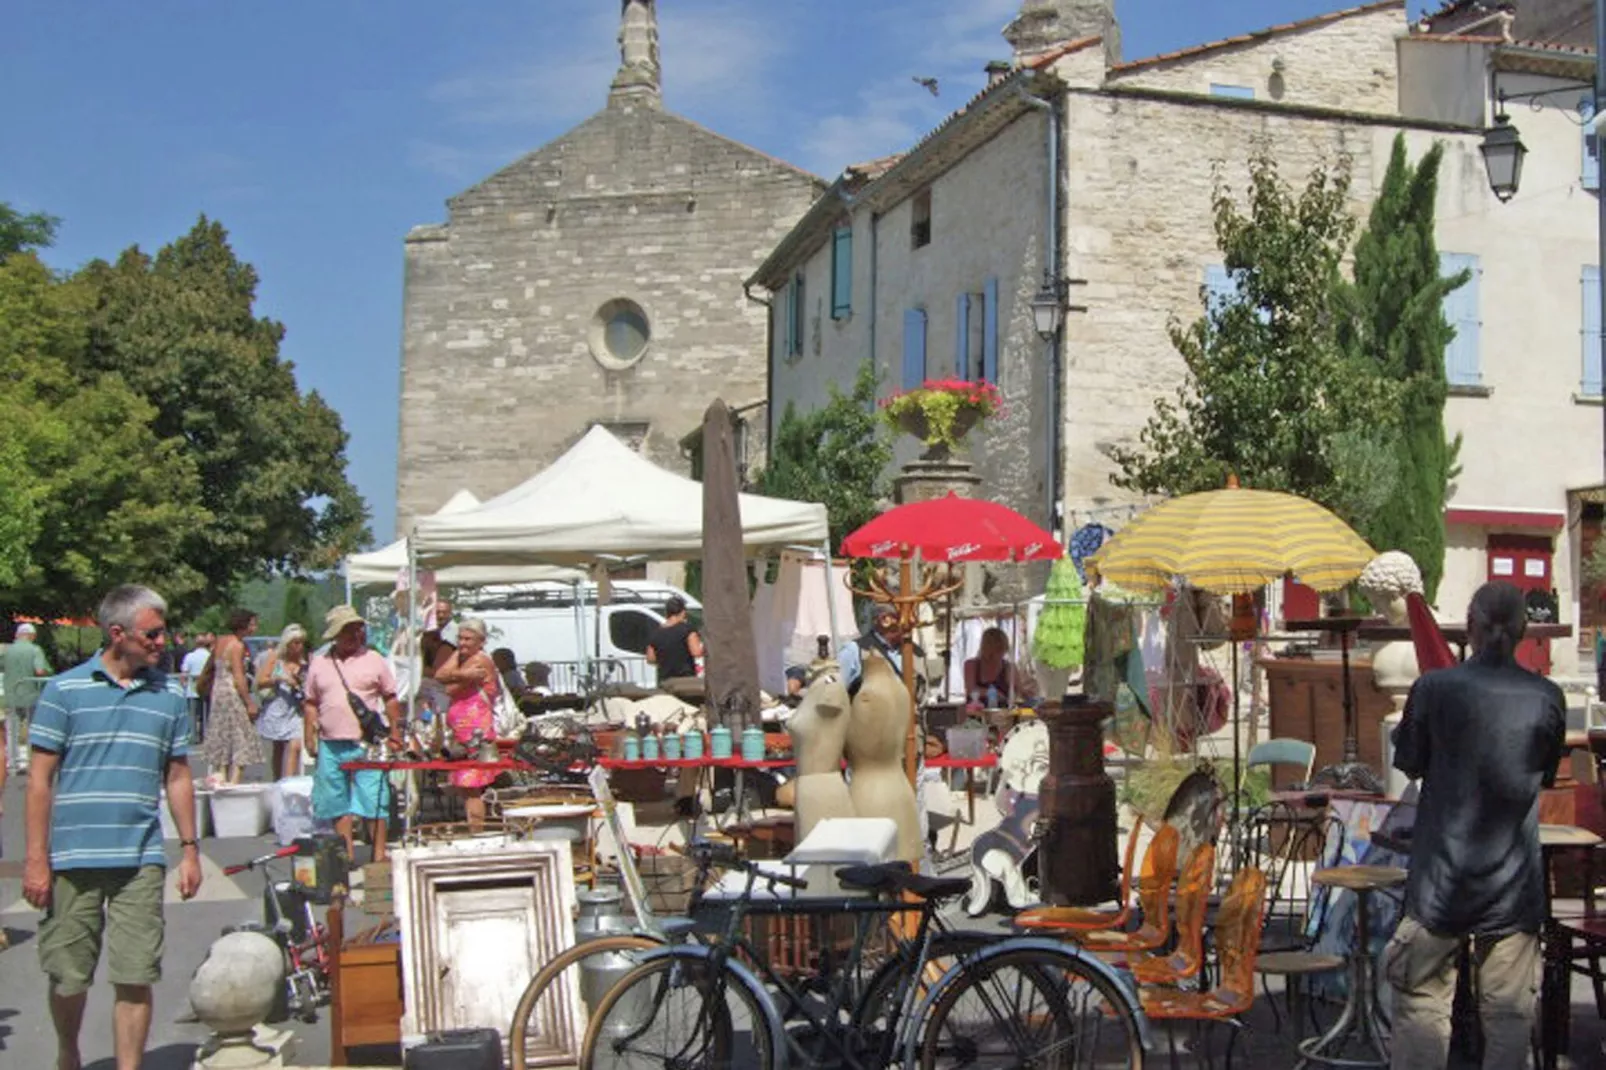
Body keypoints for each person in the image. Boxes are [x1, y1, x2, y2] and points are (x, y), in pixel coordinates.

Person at [1384, 581, 1566, 1070]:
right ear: (1526, 631)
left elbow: (1410, 761)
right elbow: (1542, 776)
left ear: (1471, 627)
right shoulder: (1548, 697)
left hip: (1440, 881)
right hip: (1512, 884)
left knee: (1423, 1011)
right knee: (1508, 1023)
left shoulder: (1434, 689)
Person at [24, 584, 202, 1070]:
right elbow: (39, 782)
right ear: (118, 633)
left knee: (135, 972)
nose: (162, 641)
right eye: (153, 632)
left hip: (138, 858)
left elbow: (179, 775)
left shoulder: (168, 695)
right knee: (68, 975)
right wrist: (36, 860)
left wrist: (190, 850)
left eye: (163, 632)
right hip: (72, 857)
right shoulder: (65, 691)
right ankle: (69, 1052)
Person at [304, 606, 401, 864]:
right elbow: (310, 701)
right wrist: (309, 734)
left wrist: (395, 731)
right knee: (336, 800)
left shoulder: (374, 659)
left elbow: (390, 697)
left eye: (356, 629)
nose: (353, 635)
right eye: (346, 630)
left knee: (374, 798)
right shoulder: (319, 663)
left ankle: (378, 852)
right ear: (335, 635)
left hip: (367, 742)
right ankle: (345, 853)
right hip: (330, 742)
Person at [435, 618, 500, 831]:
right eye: (460, 639)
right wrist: (459, 665)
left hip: (476, 732)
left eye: (468, 639)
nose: (462, 644)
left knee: (473, 786)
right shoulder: (463, 657)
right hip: (461, 731)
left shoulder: (480, 660)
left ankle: (477, 831)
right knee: (466, 788)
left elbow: (448, 686)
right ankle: (475, 828)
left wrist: (456, 674)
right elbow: (442, 676)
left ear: (481, 641)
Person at [203, 609, 265, 783]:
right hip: (231, 693)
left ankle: (220, 776)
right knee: (241, 735)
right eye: (252, 624)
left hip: (218, 691)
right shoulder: (237, 645)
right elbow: (239, 677)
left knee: (223, 735)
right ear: (244, 625)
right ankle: (234, 780)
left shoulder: (220, 642)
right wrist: (249, 703)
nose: (255, 627)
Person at [255, 624, 309, 780]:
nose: (299, 647)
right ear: (287, 644)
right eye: (295, 643)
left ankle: (290, 780)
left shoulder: (304, 663)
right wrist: (280, 678)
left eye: (301, 643)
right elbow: (260, 681)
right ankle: (278, 779)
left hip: (295, 709)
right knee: (278, 747)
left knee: (295, 744)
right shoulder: (275, 659)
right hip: (278, 706)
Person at [3, 621, 51, 775]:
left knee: (12, 731)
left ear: (18, 635)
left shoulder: (7, 651)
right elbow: (39, 671)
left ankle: (12, 763)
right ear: (31, 636)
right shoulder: (35, 650)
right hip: (31, 696)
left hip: (10, 696)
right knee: (32, 730)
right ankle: (32, 763)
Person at [964, 626, 1035, 709]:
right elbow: (971, 690)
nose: (1001, 653)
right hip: (976, 713)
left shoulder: (1009, 668)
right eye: (998, 650)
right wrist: (993, 693)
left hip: (1003, 714)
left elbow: (1020, 692)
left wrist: (1029, 694)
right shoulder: (971, 665)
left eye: (1003, 649)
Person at [646, 595, 703, 687]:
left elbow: (650, 659)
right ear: (683, 612)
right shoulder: (687, 629)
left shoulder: (656, 633)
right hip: (686, 682)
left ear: (667, 612)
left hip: (665, 682)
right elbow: (696, 652)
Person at [179, 632, 213, 740]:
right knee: (206, 714)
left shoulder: (190, 656)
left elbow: (184, 673)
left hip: (192, 690)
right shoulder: (209, 656)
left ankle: (193, 736)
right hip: (207, 690)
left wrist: (183, 686)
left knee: (192, 715)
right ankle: (205, 735)